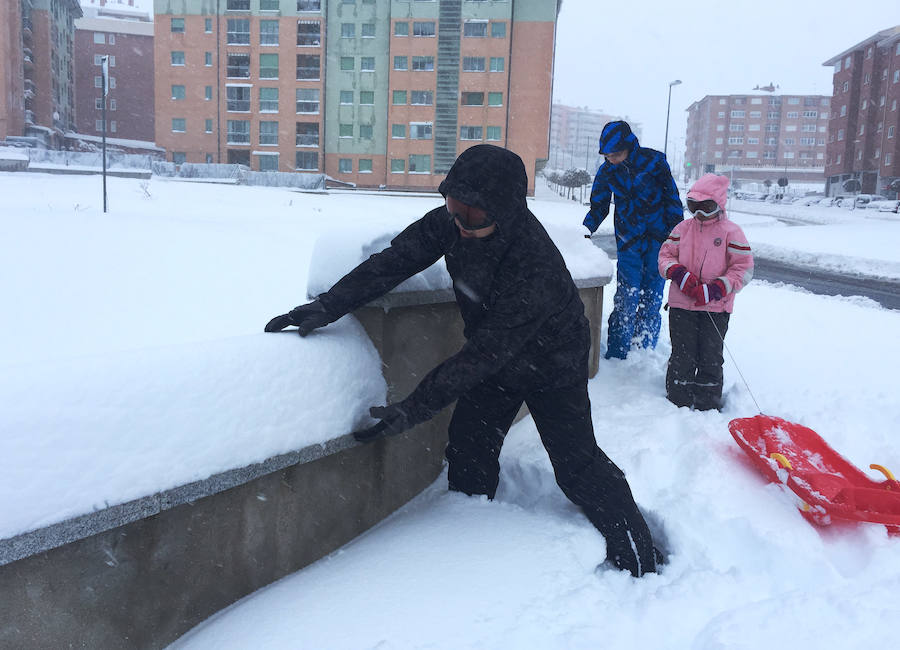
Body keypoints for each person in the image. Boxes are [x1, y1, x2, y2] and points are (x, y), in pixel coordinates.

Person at [265, 145, 660, 577]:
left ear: (506, 210)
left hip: (553, 364)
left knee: (576, 465)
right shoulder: (454, 224)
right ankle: (470, 547)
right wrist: (327, 307)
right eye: (454, 206)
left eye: (474, 215)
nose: (461, 223)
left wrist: (413, 408)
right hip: (497, 359)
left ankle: (639, 557)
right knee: (469, 448)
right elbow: (393, 263)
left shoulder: (534, 264)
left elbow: (483, 354)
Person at [584, 121, 684, 360]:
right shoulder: (607, 171)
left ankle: (644, 350)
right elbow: (599, 206)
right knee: (627, 296)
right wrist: (585, 230)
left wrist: (678, 236)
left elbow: (672, 200)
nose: (612, 160)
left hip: (659, 241)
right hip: (628, 241)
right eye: (607, 156)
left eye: (616, 154)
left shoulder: (655, 162)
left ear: (630, 146)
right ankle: (618, 352)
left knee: (652, 295)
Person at [657, 173, 754, 411]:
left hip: (716, 308)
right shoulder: (682, 229)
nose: (699, 213)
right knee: (683, 352)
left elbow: (744, 269)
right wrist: (679, 274)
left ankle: (707, 402)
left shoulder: (732, 233)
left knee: (710, 355)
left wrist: (718, 288)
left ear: (719, 205)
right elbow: (665, 256)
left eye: (706, 207)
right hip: (682, 305)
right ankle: (678, 398)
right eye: (693, 207)